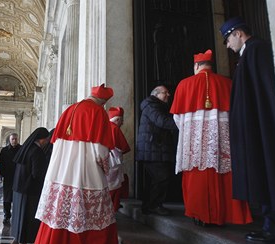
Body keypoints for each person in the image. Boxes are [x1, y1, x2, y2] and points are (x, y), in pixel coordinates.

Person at [28, 84, 119, 244]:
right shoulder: (97, 112)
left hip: (61, 172)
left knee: (58, 218)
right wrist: (105, 169)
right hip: (85, 173)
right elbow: (100, 150)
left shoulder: (69, 109)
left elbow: (57, 142)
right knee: (90, 218)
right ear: (102, 102)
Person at [220, 17, 275, 242]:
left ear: (238, 33)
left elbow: (267, 90)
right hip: (255, 128)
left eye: (228, 39)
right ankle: (271, 223)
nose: (228, 45)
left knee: (270, 173)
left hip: (263, 128)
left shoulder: (257, 50)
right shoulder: (247, 54)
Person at [170, 50, 252, 226]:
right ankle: (225, 215)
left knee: (196, 176)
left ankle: (200, 215)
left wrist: (192, 133)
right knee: (224, 175)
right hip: (222, 142)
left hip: (195, 144)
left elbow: (177, 119)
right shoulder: (227, 83)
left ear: (197, 66)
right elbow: (237, 115)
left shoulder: (184, 85)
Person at [6, 127, 50, 244]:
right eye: (46, 139)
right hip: (29, 191)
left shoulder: (26, 149)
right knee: (26, 221)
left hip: (19, 190)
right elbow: (37, 174)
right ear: (41, 139)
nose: (47, 142)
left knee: (19, 218)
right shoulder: (37, 152)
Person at [136, 86, 178, 216]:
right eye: (165, 92)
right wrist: (183, 123)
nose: (168, 95)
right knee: (161, 177)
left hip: (154, 149)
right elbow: (162, 121)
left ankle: (148, 206)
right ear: (156, 94)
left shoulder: (155, 105)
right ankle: (154, 205)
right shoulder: (152, 105)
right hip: (153, 149)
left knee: (155, 179)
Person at [106, 107, 131, 212]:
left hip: (105, 160)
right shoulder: (114, 128)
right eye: (121, 120)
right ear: (117, 119)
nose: (123, 123)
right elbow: (123, 147)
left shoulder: (105, 126)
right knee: (114, 185)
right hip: (113, 161)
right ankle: (113, 208)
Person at [0, 132, 21, 224]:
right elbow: (1, 164)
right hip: (8, 177)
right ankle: (6, 215)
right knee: (7, 198)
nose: (14, 141)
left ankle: (16, 215)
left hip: (18, 177)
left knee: (17, 197)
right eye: (13, 139)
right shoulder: (4, 150)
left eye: (16, 139)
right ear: (10, 140)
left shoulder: (21, 149)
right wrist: (2, 175)